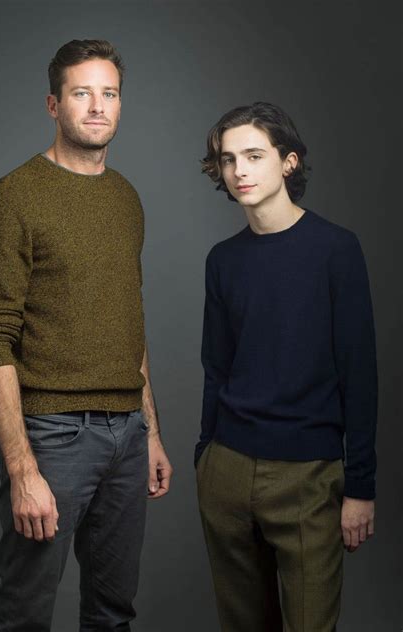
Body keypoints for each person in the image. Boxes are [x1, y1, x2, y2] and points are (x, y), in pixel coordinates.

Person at [0, 38, 173, 632]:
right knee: (25, 614)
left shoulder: (126, 199)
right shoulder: (13, 198)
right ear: (54, 104)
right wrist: (22, 467)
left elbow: (127, 322)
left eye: (109, 93)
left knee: (112, 613)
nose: (98, 106)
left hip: (128, 437)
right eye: (82, 93)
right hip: (53, 438)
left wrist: (151, 431)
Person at [195, 102, 377, 632]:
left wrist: (361, 486)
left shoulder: (336, 250)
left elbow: (359, 373)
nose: (240, 171)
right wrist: (206, 454)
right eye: (229, 160)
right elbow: (216, 366)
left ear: (289, 162)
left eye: (254, 155)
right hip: (226, 471)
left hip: (308, 476)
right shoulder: (222, 260)